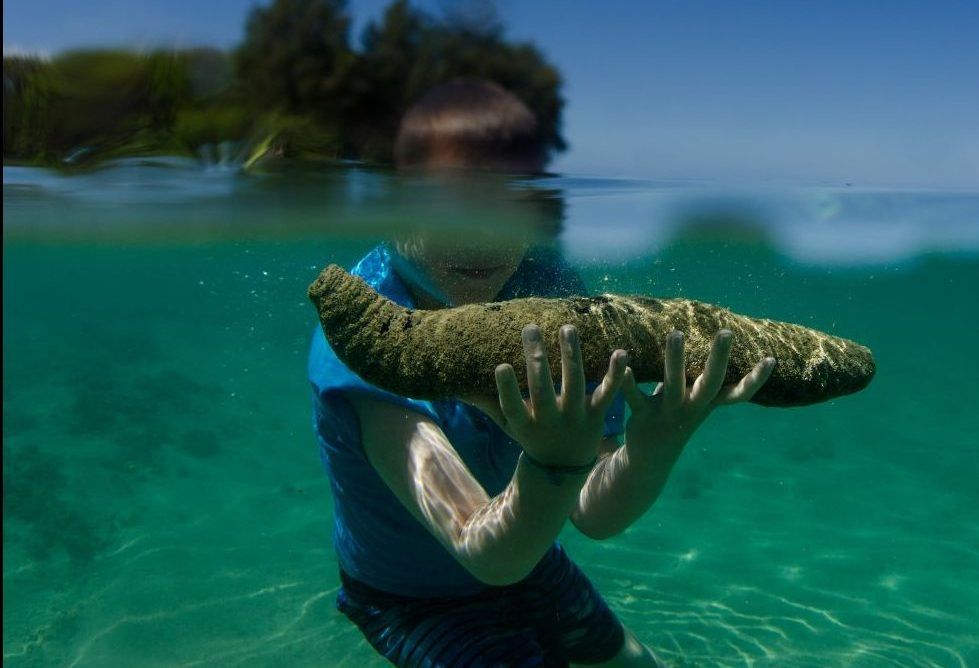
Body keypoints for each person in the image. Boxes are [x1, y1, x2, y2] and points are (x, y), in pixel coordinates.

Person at [308, 78, 775, 667]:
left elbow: (595, 515)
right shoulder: (365, 340)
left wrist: (652, 444)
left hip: (531, 549)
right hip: (413, 595)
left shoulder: (547, 290)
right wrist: (556, 463)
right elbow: (482, 548)